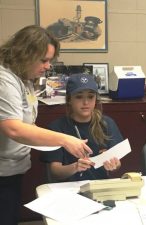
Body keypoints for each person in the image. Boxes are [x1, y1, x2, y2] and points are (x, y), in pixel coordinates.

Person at [0, 25, 93, 225]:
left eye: (50, 60)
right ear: (24, 54)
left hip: (12, 169)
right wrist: (64, 139)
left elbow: (27, 124)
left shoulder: (23, 79)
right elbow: (13, 128)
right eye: (44, 60)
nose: (48, 66)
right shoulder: (4, 80)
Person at [41, 73, 123, 181]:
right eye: (79, 97)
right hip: (68, 189)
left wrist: (113, 164)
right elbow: (55, 171)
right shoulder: (56, 128)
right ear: (69, 99)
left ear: (96, 99)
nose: (86, 102)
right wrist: (75, 167)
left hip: (99, 187)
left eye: (90, 96)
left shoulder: (106, 123)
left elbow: (118, 164)